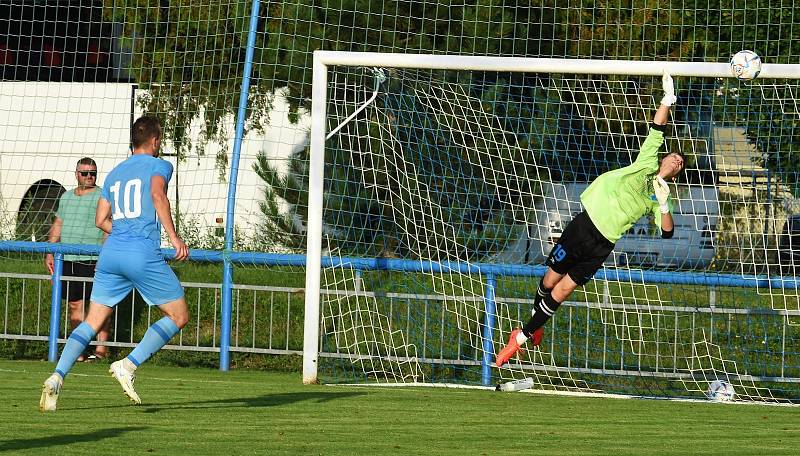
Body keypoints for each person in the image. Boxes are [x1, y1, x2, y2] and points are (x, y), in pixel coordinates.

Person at [496, 72, 686, 367]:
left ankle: (524, 333)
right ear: (663, 159)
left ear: (677, 173)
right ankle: (535, 326)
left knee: (565, 289)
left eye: (681, 164)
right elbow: (657, 128)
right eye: (674, 157)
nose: (676, 161)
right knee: (549, 280)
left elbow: (667, 233)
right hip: (584, 225)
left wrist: (663, 206)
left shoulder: (661, 194)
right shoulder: (646, 163)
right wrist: (667, 100)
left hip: (603, 244)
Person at [40, 116, 190, 412]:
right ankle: (129, 365)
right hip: (141, 253)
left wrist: (123, 231)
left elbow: (100, 220)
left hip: (111, 254)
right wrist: (174, 237)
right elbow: (158, 194)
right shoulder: (160, 166)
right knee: (178, 315)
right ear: (156, 141)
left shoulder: (115, 173)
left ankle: (57, 376)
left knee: (91, 321)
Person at [45, 157, 110, 361]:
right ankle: (79, 349)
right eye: (85, 173)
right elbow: (58, 224)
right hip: (69, 258)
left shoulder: (102, 196)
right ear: (76, 174)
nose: (89, 177)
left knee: (99, 305)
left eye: (93, 173)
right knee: (75, 305)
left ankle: (101, 349)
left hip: (94, 258)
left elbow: (109, 226)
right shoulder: (66, 197)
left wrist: (104, 255)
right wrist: (50, 251)